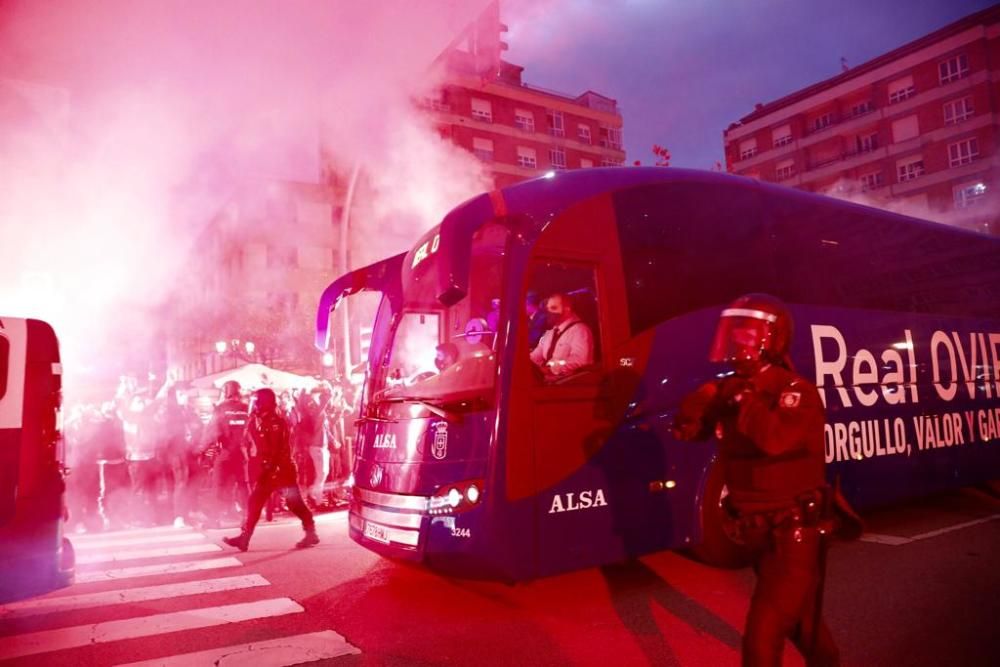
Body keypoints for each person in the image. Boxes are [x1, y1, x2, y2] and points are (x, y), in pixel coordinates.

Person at [672, 293, 856, 667]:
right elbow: (689, 433)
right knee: (803, 625)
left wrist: (744, 399)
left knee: (762, 639)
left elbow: (775, 440)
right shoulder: (734, 388)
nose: (737, 342)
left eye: (746, 334)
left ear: (771, 340)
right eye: (733, 334)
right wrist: (695, 407)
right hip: (758, 533)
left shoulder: (794, 392)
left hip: (793, 537)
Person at [223, 388, 318, 551]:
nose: (256, 404)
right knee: (255, 502)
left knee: (295, 503)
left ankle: (311, 533)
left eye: (258, 401)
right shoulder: (261, 420)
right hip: (270, 471)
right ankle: (244, 538)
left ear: (265, 402)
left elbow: (276, 450)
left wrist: (268, 469)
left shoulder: (275, 422)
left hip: (281, 471)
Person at [202, 380, 250, 527]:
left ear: (226, 392)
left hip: (225, 453)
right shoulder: (246, 408)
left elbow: (212, 432)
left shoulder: (220, 409)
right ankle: (247, 518)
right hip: (242, 454)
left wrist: (202, 449)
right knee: (243, 486)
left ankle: (214, 520)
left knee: (218, 486)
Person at [529, 292, 594, 378]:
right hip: (548, 382)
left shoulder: (580, 330)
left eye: (553, 308)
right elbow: (537, 353)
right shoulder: (550, 331)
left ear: (567, 309)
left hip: (567, 384)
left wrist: (551, 369)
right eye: (548, 309)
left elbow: (581, 360)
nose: (549, 312)